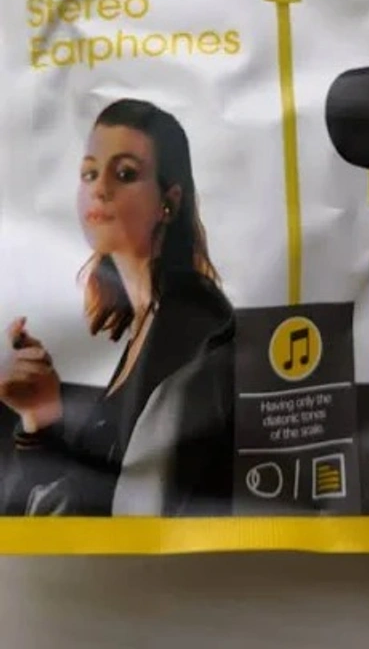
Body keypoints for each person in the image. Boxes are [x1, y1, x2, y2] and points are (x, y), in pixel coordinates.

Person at [0, 98, 235, 516]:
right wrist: (41, 411)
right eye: (89, 173)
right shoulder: (150, 319)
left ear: (169, 201)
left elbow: (123, 500)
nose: (99, 189)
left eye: (125, 174)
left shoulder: (190, 315)